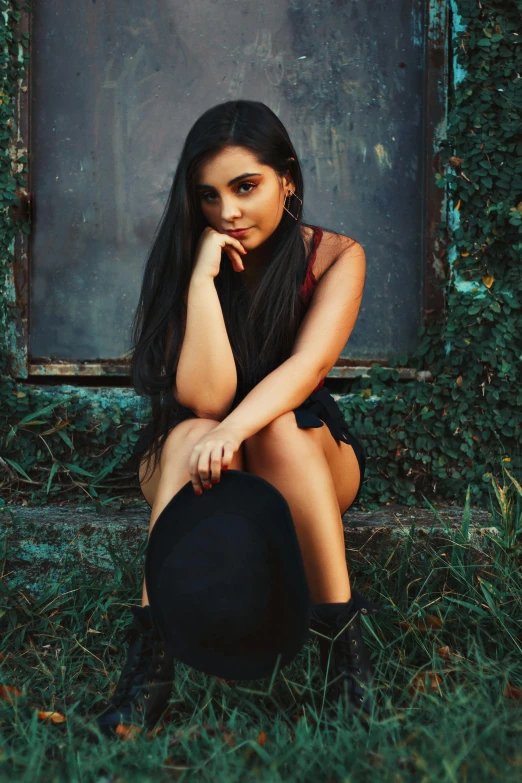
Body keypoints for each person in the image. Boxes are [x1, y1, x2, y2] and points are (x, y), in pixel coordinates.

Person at [96, 99, 381, 738]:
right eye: (209, 195)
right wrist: (201, 282)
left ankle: (344, 654)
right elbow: (205, 401)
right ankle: (150, 667)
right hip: (197, 452)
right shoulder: (188, 255)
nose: (227, 212)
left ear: (287, 178)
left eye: (246, 187)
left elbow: (306, 370)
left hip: (302, 451)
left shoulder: (335, 256)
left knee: (279, 425)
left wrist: (237, 430)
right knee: (191, 431)